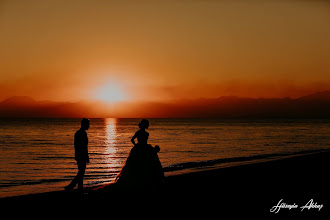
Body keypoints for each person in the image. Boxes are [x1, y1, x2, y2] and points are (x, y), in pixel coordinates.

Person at [114, 119, 164, 187]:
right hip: (143, 148)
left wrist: (136, 145)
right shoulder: (145, 133)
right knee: (145, 162)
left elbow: (132, 140)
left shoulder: (141, 133)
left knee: (140, 163)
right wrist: (136, 145)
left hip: (140, 148)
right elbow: (132, 140)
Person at [65, 118, 90, 191]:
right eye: (88, 124)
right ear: (84, 124)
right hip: (81, 155)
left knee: (81, 172)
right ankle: (71, 186)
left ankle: (79, 188)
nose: (89, 126)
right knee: (81, 173)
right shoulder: (80, 133)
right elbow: (81, 146)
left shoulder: (80, 133)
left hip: (80, 155)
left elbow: (81, 146)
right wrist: (85, 156)